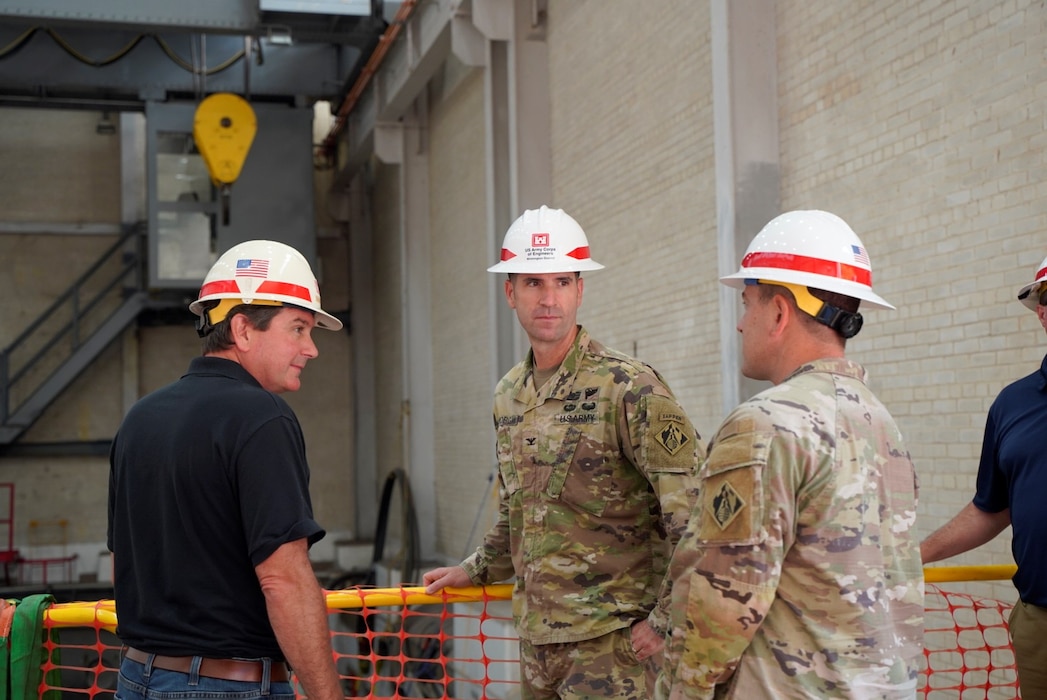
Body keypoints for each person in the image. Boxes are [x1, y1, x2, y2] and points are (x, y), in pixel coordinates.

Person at [423, 206, 704, 699]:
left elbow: (694, 513)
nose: (548, 298)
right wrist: (475, 567)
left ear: (580, 289)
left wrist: (663, 622)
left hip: (613, 646)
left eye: (562, 282)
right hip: (536, 646)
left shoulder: (628, 386)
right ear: (510, 292)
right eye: (533, 283)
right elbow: (520, 507)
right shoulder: (509, 393)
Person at [657, 210, 924, 699]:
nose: (741, 325)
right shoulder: (881, 423)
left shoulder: (765, 423)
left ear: (779, 312)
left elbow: (725, 599)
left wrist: (683, 691)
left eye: (747, 304)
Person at [107, 239, 344, 700]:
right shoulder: (262, 418)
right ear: (243, 330)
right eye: (298, 328)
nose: (311, 349)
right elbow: (284, 580)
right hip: (224, 685)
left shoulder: (140, 417)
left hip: (136, 678)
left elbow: (125, 564)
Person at [921, 253, 1047, 697]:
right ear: (1042, 313)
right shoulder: (1013, 405)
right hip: (1041, 627)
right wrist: (910, 556)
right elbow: (991, 508)